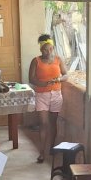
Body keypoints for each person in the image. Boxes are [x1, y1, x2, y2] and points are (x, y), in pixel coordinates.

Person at [28, 34, 68, 163]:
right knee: (43, 123)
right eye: (45, 49)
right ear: (41, 49)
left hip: (56, 94)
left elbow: (66, 75)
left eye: (50, 49)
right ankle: (42, 152)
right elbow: (31, 79)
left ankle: (52, 148)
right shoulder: (36, 61)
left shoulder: (58, 59)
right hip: (41, 95)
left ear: (53, 48)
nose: (48, 52)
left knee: (53, 122)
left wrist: (58, 79)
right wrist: (43, 84)